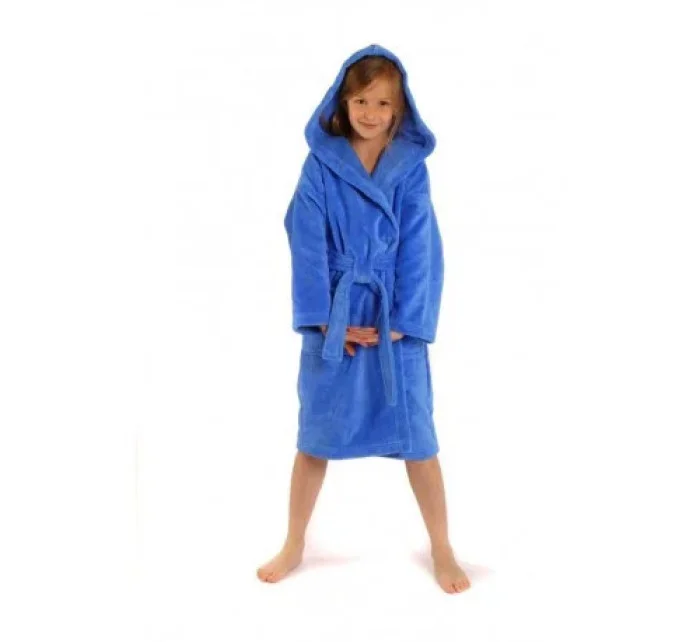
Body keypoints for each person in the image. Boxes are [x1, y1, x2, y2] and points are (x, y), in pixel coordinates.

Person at [257, 44, 470, 593]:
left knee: (418, 438)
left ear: (400, 109)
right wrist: (325, 322)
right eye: (360, 100)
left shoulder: (410, 168)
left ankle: (442, 546)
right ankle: (294, 542)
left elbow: (422, 245)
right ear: (342, 101)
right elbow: (305, 242)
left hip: (393, 322)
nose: (370, 113)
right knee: (314, 437)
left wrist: (405, 321)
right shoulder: (321, 165)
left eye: (382, 103)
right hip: (337, 319)